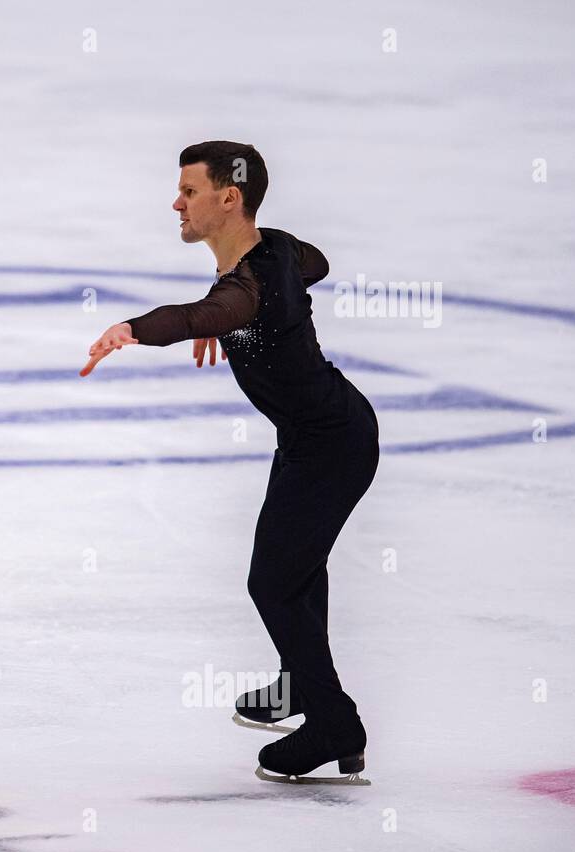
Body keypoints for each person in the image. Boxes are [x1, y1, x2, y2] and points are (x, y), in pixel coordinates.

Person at [80, 141, 379, 784]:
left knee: (271, 582)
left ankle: (334, 723)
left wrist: (133, 329)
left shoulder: (250, 287)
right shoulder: (272, 255)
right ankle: (302, 687)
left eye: (188, 191)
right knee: (296, 571)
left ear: (228, 198)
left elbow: (197, 315)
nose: (176, 203)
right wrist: (240, 315)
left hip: (331, 444)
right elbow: (312, 264)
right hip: (318, 437)